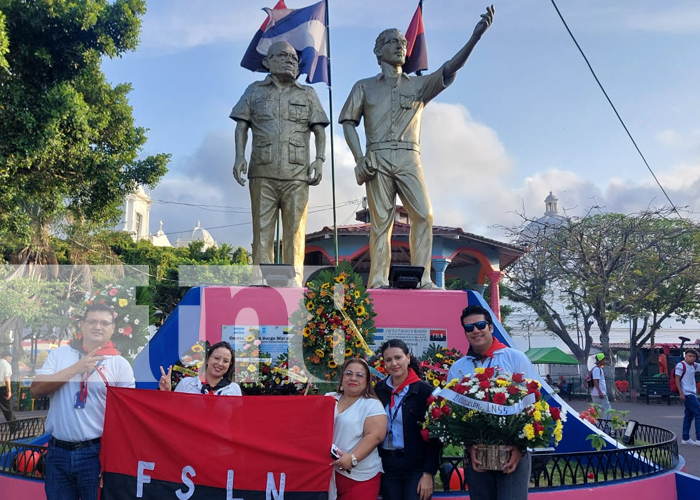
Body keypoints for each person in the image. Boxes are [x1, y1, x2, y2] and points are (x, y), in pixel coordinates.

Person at [339, 7, 494, 289]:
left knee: (424, 215)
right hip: (377, 158)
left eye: (403, 43)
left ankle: (423, 279)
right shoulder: (363, 86)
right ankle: (377, 280)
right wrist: (359, 157)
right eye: (392, 42)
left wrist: (475, 38)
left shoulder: (420, 85)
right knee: (381, 222)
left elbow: (450, 67)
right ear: (378, 52)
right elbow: (348, 122)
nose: (400, 46)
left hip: (409, 156)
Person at [231, 41, 329, 287]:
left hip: (297, 173)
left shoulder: (308, 94)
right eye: (283, 56)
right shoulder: (254, 91)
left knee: (295, 230)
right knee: (262, 228)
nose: (290, 61)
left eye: (294, 59)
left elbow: (319, 130)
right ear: (267, 62)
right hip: (262, 170)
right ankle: (261, 279)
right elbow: (241, 125)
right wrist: (239, 156)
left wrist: (319, 159)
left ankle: (293, 281)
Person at [31, 303, 135, 500]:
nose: (98, 327)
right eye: (92, 321)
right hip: (58, 453)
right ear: (82, 325)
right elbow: (36, 390)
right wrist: (76, 368)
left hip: (95, 454)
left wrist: (110, 462)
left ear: (112, 329)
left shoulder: (120, 365)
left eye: (105, 323)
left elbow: (126, 419)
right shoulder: (62, 354)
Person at [447, 304, 537, 500]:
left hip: (512, 452)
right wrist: (469, 447)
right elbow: (453, 412)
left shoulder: (515, 359)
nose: (476, 331)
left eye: (480, 325)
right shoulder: (458, 368)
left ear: (491, 327)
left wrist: (520, 448)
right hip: (477, 454)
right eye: (469, 328)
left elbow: (533, 403)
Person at [374, 340, 440, 500]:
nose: (394, 363)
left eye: (398, 357)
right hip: (388, 465)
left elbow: (435, 436)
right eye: (388, 360)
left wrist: (428, 473)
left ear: (408, 358)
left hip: (416, 467)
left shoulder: (425, 391)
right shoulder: (379, 390)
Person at [327, 358, 387, 500]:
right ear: (342, 378)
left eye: (359, 375)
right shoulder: (328, 398)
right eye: (348, 373)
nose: (353, 378)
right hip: (328, 474)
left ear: (367, 382)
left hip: (360, 477)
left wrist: (353, 458)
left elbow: (375, 436)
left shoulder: (372, 405)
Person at [159, 341, 241, 396]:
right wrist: (166, 393)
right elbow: (172, 413)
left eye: (225, 361)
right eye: (216, 358)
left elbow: (236, 419)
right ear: (208, 359)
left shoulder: (234, 389)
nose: (220, 363)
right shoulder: (186, 384)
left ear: (229, 365)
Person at [675, 348, 700, 446]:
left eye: (694, 356)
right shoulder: (681, 365)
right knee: (698, 413)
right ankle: (699, 438)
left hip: (692, 393)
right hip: (687, 393)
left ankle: (685, 438)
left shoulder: (694, 365)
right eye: (690, 356)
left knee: (689, 415)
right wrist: (681, 393)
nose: (692, 358)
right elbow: (677, 380)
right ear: (685, 356)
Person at [590, 353, 612, 417]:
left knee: (596, 409)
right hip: (599, 393)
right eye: (604, 359)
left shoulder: (598, 369)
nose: (605, 361)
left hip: (595, 393)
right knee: (608, 409)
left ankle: (594, 423)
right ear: (601, 360)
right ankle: (606, 425)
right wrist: (600, 392)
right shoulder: (597, 369)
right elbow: (595, 381)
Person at [0, 350, 15, 428]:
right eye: (10, 357)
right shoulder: (6, 365)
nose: (11, 359)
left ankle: (16, 425)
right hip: (2, 388)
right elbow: (7, 378)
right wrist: (8, 391)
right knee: (7, 409)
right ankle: (14, 427)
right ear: (6, 357)